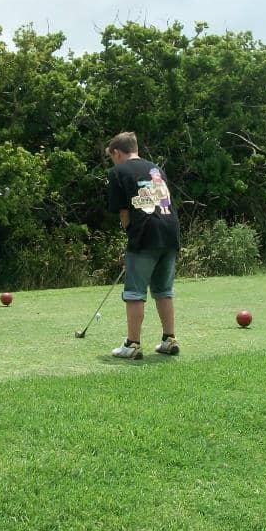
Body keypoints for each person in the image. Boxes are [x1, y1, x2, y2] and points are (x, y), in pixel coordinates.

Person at [105, 131, 181, 360]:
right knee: (163, 290)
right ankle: (169, 339)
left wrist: (131, 236)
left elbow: (123, 212)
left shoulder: (118, 172)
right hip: (170, 232)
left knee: (134, 293)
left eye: (112, 157)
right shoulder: (156, 169)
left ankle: (132, 344)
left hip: (145, 234)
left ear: (117, 153)